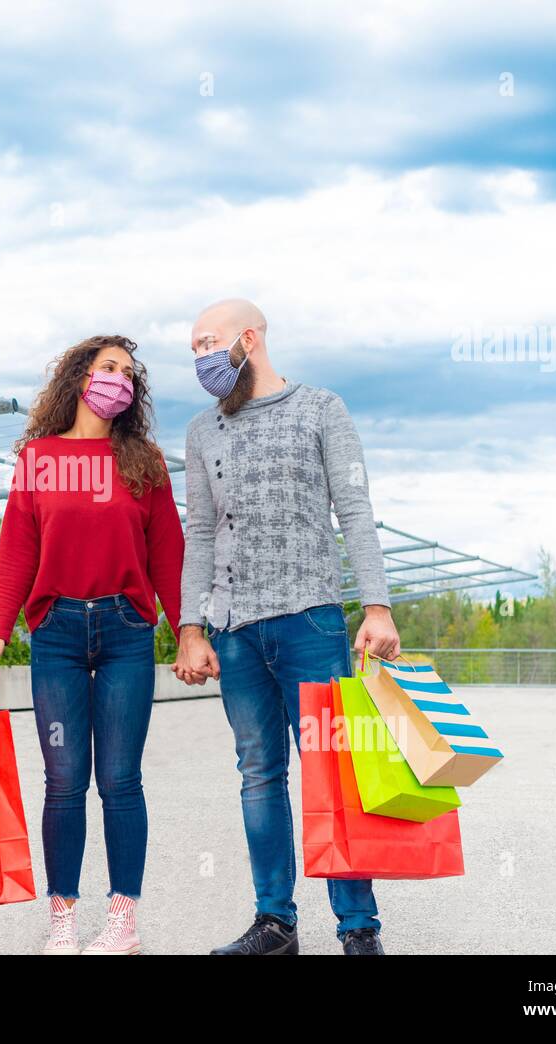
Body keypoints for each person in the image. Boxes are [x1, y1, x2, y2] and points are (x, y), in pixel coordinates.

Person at [174, 298, 401, 956]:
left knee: (332, 774)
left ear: (250, 338)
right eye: (192, 349)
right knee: (258, 776)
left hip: (311, 623)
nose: (201, 359)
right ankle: (275, 924)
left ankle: (359, 930)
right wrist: (192, 626)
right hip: (235, 632)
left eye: (208, 343)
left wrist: (377, 605)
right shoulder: (202, 431)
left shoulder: (321, 409)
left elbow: (355, 510)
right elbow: (198, 534)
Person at [0, 334, 184, 955]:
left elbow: (167, 551)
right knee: (63, 780)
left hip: (125, 631)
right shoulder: (38, 458)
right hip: (57, 633)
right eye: (106, 367)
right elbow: (17, 549)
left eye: (127, 371)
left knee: (120, 779)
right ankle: (62, 916)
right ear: (79, 379)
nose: (117, 378)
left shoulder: (143, 461)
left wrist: (188, 632)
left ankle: (123, 921)